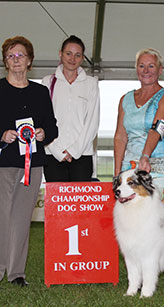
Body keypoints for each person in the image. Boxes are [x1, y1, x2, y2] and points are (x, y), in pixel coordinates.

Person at [0, 36, 58, 286]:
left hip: (32, 165)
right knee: (2, 217)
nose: (16, 60)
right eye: (10, 56)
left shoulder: (40, 92)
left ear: (30, 61)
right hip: (4, 161)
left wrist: (45, 133)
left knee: (22, 218)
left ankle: (16, 274)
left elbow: (52, 127)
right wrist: (2, 134)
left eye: (20, 55)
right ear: (5, 62)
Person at [114, 48, 164, 203]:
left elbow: (156, 130)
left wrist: (145, 156)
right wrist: (117, 173)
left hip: (159, 169)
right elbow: (120, 137)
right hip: (129, 169)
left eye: (151, 66)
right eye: (141, 66)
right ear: (136, 69)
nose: (146, 70)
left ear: (160, 70)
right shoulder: (125, 99)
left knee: (161, 223)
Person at [42, 35, 100, 182]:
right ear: (60, 54)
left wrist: (74, 151)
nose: (72, 59)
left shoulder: (91, 83)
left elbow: (92, 122)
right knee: (57, 205)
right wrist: (57, 150)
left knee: (80, 204)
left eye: (77, 55)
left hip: (82, 155)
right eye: (68, 53)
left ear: (82, 58)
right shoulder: (47, 82)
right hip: (52, 154)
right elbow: (42, 120)